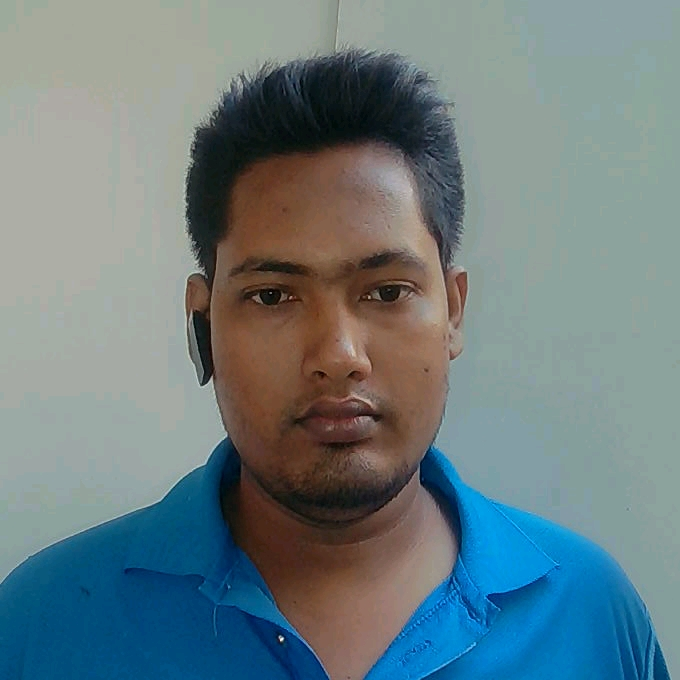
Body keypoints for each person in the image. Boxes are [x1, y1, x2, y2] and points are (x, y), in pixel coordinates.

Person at [0, 49, 669, 680]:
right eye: (273, 296)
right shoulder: (44, 623)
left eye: (387, 292)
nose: (338, 356)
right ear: (203, 320)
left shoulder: (591, 615)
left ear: (454, 312)